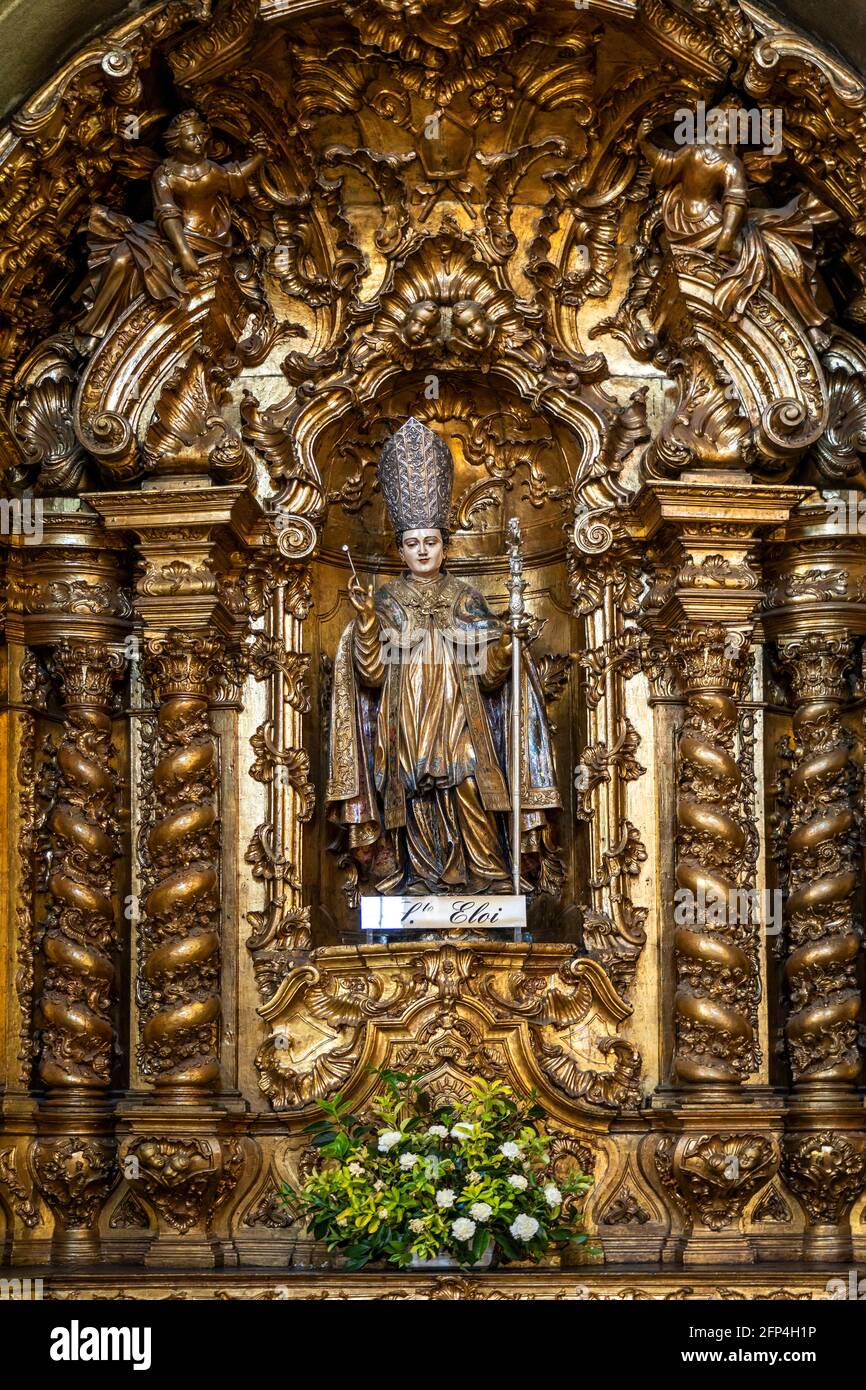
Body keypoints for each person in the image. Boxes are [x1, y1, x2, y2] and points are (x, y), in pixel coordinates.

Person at [326, 417, 560, 897]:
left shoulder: (465, 596)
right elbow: (370, 674)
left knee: (467, 781)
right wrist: (366, 622)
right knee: (415, 791)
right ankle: (420, 878)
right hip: (406, 719)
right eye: (412, 543)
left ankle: (486, 873)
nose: (422, 551)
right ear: (400, 550)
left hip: (460, 718)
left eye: (430, 541)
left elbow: (491, 676)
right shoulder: (386, 600)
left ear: (444, 546)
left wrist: (506, 644)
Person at [639, 108, 835, 343]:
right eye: (721, 122)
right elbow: (734, 201)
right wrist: (727, 234)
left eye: (727, 124)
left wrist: (644, 143)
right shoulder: (723, 160)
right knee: (777, 253)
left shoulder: (705, 154)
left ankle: (801, 321)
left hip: (686, 223)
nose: (722, 127)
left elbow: (667, 165)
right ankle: (804, 322)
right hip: (707, 226)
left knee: (781, 249)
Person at [77, 109, 268, 344]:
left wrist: (260, 156)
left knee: (128, 262)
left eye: (201, 136)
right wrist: (184, 252)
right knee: (119, 259)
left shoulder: (210, 170)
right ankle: (97, 329)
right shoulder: (165, 174)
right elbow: (168, 215)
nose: (199, 142)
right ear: (177, 143)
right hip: (170, 237)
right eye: (191, 137)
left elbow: (235, 175)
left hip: (205, 240)